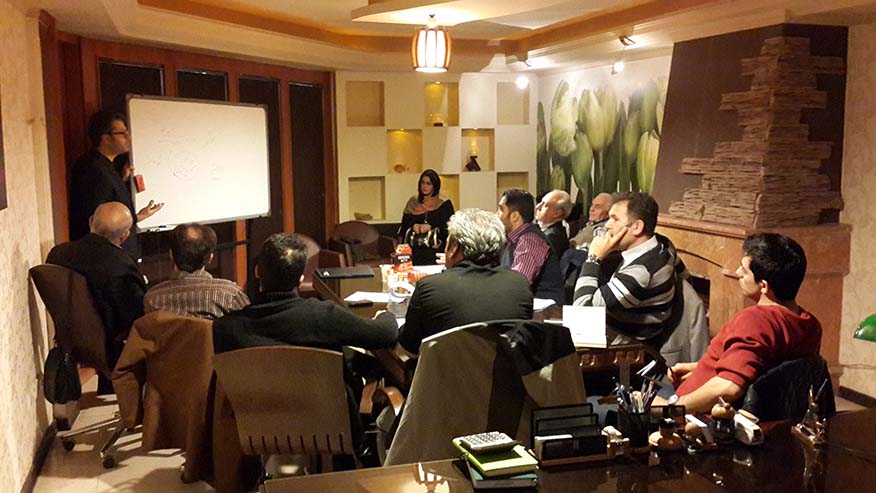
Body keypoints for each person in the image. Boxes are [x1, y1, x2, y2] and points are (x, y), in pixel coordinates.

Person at [212, 233, 398, 448]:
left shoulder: (225, 329)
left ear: (257, 272)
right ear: (301, 278)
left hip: (257, 435)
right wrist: (387, 314)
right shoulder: (321, 316)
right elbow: (384, 333)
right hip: (331, 434)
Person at [659, 234, 822, 413]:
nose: (737, 273)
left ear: (764, 286)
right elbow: (762, 368)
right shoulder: (810, 324)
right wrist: (700, 367)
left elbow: (729, 387)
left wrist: (671, 408)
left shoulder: (755, 321)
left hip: (694, 415)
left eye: (744, 270)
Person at [398, 209, 534, 354]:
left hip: (447, 368)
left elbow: (410, 346)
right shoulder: (520, 285)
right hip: (504, 368)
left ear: (453, 247)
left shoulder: (431, 287)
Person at [47, 202, 147, 392]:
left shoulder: (57, 254)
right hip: (107, 343)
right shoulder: (122, 265)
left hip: (66, 334)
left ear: (91, 221)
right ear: (125, 236)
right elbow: (135, 315)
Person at [572, 192, 687, 343]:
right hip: (617, 332)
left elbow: (582, 314)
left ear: (637, 227)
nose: (607, 225)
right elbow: (686, 277)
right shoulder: (664, 244)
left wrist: (593, 258)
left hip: (629, 347)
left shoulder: (641, 272)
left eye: (615, 219)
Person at [68, 111, 164, 260]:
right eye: (122, 133)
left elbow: (107, 193)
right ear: (106, 138)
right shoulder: (93, 169)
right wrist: (139, 217)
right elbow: (101, 219)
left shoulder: (104, 165)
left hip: (117, 252)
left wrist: (121, 178)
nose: (128, 138)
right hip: (109, 256)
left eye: (128, 132)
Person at [144, 223, 249, 319]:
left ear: (171, 255)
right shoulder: (230, 294)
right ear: (210, 258)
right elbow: (249, 327)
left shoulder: (151, 299)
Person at [498, 189, 563, 305]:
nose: (496, 214)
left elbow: (518, 284)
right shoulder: (511, 239)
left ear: (515, 216)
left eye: (501, 209)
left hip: (543, 311)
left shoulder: (530, 240)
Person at [397, 169, 455, 265]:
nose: (425, 186)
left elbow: (448, 229)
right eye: (423, 183)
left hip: (435, 251)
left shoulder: (444, 204)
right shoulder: (413, 202)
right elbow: (404, 226)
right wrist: (413, 225)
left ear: (435, 186)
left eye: (428, 184)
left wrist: (431, 226)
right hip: (414, 251)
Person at [536, 189, 572, 258]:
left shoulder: (552, 237)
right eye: (540, 202)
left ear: (557, 213)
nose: (537, 207)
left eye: (544, 205)